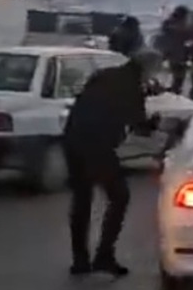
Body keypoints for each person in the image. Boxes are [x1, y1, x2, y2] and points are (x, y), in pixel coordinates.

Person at [61, 46, 159, 277]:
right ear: (147, 68)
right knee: (119, 197)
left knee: (82, 199)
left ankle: (80, 260)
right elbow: (139, 125)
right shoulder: (132, 87)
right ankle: (104, 255)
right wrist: (154, 122)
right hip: (97, 146)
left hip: (73, 139)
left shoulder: (104, 75)